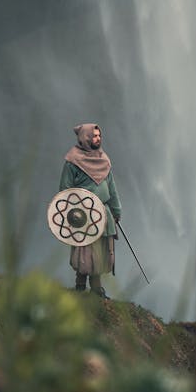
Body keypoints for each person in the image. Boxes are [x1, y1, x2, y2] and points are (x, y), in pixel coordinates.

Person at [59, 123, 122, 298]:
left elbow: (111, 189)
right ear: (85, 137)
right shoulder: (72, 161)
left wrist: (116, 211)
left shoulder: (104, 160)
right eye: (94, 136)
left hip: (104, 213)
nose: (98, 138)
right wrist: (73, 211)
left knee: (100, 251)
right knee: (85, 252)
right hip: (83, 215)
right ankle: (80, 286)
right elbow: (65, 189)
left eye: (99, 135)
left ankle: (96, 289)